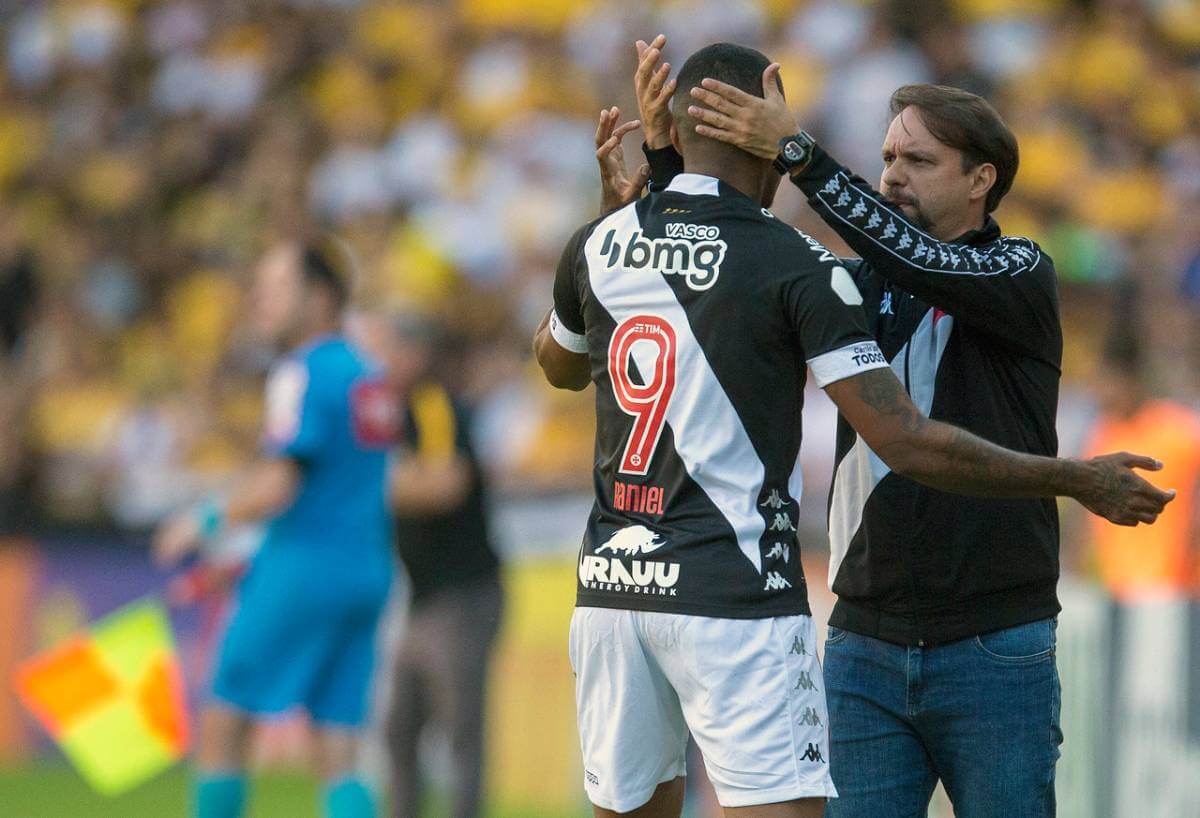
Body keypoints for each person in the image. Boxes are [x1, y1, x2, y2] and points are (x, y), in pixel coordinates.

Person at [538, 42, 1171, 818]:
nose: (893, 174)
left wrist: (792, 153)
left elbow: (914, 261)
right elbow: (719, 266)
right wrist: (667, 175)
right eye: (887, 157)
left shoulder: (1017, 272)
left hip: (994, 641)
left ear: (982, 181)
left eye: (920, 160)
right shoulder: (848, 280)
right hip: (864, 641)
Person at [154, 240, 397, 818]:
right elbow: (340, 487)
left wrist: (202, 520)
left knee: (224, 721)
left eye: (276, 288)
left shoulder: (301, 371)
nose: (260, 301)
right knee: (338, 746)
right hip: (365, 569)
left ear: (319, 297)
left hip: (304, 566)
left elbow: (279, 485)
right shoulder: (369, 374)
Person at [351, 311, 504, 818]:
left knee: (460, 730)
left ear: (416, 354)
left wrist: (373, 484)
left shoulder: (432, 405)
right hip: (423, 598)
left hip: (462, 595)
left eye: (387, 349)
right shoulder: (394, 412)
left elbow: (445, 484)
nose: (377, 363)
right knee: (400, 730)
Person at [1085, 303, 1200, 601]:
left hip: (1176, 596)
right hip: (1119, 594)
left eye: (1106, 381)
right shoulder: (1103, 436)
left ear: (1129, 379)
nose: (1100, 392)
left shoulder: (1180, 431)